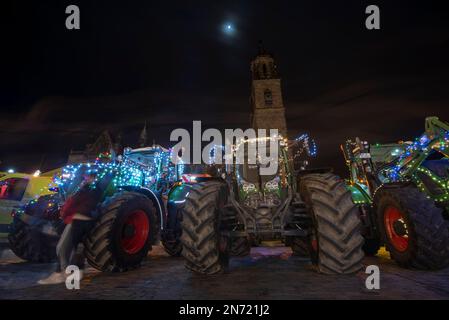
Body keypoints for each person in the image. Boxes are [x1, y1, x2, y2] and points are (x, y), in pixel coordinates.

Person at [38, 171, 105, 285]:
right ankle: (77, 272)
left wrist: (67, 212)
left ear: (93, 177)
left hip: (78, 219)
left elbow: (75, 203)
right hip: (81, 219)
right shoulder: (92, 189)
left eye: (88, 176)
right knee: (76, 247)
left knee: (63, 247)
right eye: (86, 176)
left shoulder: (90, 190)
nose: (85, 178)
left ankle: (60, 273)